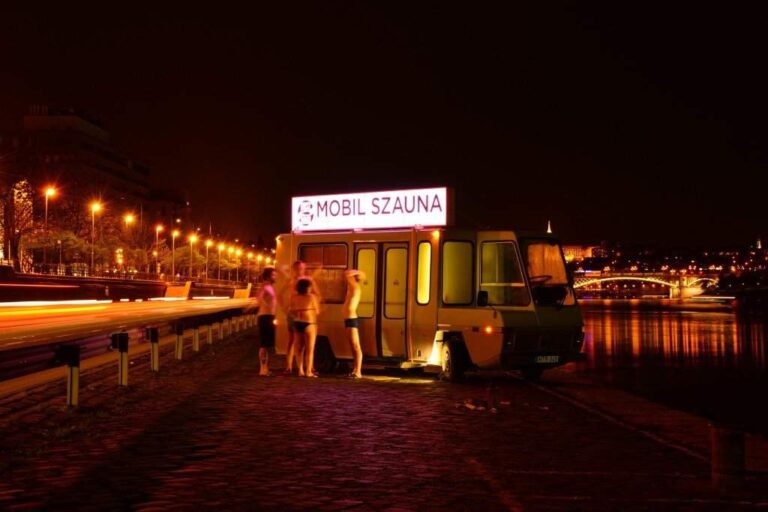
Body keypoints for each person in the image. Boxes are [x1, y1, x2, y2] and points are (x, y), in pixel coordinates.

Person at [278, 260, 321, 374]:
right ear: (294, 269)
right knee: (292, 340)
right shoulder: (291, 280)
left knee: (307, 343)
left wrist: (312, 304)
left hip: (305, 313)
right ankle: (289, 366)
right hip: (293, 312)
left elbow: (317, 293)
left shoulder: (309, 280)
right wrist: (285, 310)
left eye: (302, 268)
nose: (300, 271)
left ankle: (309, 367)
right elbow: (280, 294)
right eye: (298, 268)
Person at [289, 278, 320, 377]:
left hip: (297, 322)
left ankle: (300, 370)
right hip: (309, 323)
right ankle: (308, 371)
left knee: (299, 349)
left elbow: (290, 311)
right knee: (310, 349)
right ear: (308, 287)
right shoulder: (311, 297)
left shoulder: (294, 297)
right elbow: (317, 311)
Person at [343, 269, 365, 378]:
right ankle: (355, 370)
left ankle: (358, 371)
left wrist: (356, 272)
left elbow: (347, 274)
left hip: (352, 319)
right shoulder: (351, 289)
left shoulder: (355, 287)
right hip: (348, 319)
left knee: (356, 346)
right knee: (353, 346)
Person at [256, 267, 277, 376]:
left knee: (267, 345)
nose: (275, 277)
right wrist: (267, 306)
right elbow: (259, 298)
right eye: (273, 275)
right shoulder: (265, 286)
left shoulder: (270, 286)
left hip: (269, 316)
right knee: (264, 345)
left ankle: (265, 369)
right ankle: (262, 369)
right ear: (268, 276)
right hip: (265, 317)